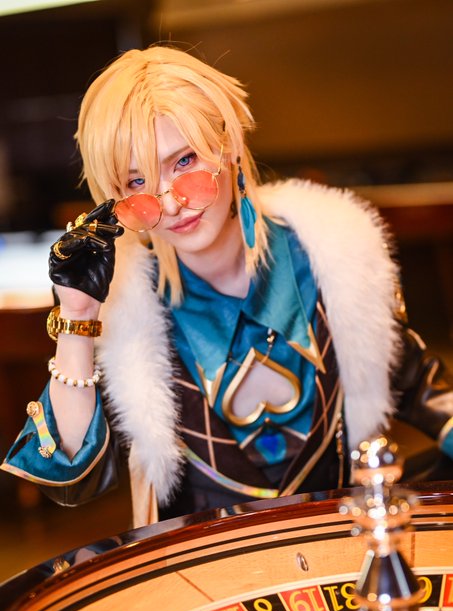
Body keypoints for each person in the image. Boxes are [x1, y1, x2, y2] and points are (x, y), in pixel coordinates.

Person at [2, 45, 452, 528]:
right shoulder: (128, 308)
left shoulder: (330, 255)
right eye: (136, 183)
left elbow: (416, 383)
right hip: (207, 564)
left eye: (184, 161)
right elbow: (70, 479)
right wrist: (78, 317)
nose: (169, 203)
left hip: (341, 549)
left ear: (229, 145)